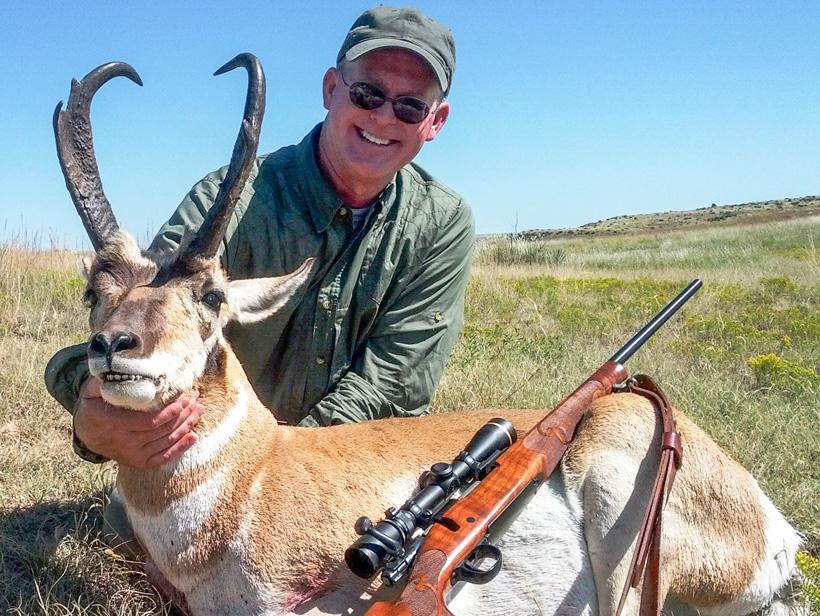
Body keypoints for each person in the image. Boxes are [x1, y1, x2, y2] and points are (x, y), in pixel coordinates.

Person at [45, 6, 474, 471]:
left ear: (435, 122)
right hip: (208, 460)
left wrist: (285, 473)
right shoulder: (226, 199)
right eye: (368, 93)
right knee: (132, 535)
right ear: (331, 90)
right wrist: (92, 412)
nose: (385, 118)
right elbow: (141, 310)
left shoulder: (441, 224)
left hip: (354, 464)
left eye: (410, 106)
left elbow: (392, 385)